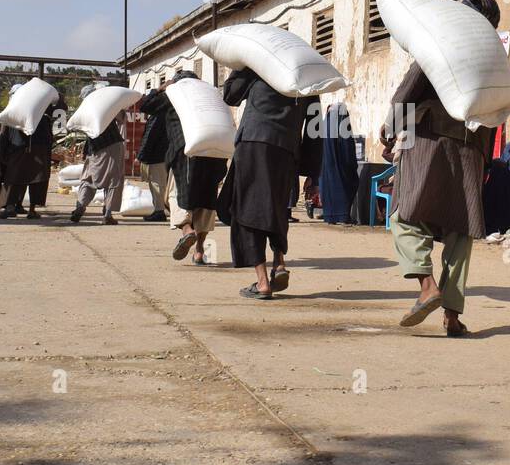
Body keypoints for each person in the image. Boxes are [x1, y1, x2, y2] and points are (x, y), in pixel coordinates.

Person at [380, 0, 500, 336]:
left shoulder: (441, 38)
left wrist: (390, 130)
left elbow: (407, 93)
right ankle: (452, 316)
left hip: (429, 138)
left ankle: (427, 285)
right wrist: (485, 159)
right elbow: (495, 108)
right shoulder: (493, 57)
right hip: (472, 149)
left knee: (405, 217)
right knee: (460, 231)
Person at [216, 65, 319, 299]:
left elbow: (230, 95)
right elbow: (315, 125)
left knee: (248, 208)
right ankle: (279, 263)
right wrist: (313, 170)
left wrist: (242, 66)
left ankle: (262, 282)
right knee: (276, 208)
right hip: (287, 149)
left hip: (253, 142)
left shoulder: (259, 66)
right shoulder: (307, 73)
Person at [140, 72, 227, 263]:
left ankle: (187, 231)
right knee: (206, 199)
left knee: (177, 194)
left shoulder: (174, 94)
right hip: (215, 151)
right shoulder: (210, 94)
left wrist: (161, 88)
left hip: (185, 150)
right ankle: (199, 251)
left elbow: (145, 106)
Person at [68, 110, 127, 226]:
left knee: (88, 179)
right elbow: (121, 119)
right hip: (113, 145)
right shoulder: (109, 105)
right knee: (113, 180)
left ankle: (80, 206)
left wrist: (86, 151)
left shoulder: (85, 110)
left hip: (94, 148)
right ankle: (108, 215)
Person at [319, 103, 359, 224]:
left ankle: (330, 216)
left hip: (325, 168)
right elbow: (347, 148)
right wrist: (352, 164)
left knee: (328, 186)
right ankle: (342, 215)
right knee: (350, 181)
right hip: (340, 166)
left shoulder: (324, 126)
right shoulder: (342, 124)